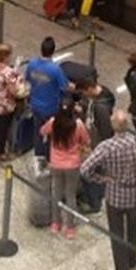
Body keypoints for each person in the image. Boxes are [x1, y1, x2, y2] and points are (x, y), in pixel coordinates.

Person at [81, 109, 136, 270]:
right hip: (135, 195)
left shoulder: (106, 147)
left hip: (114, 196)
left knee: (116, 234)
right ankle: (132, 260)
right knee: (133, 230)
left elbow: (85, 169)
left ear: (113, 126)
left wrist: (101, 179)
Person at [40, 98, 90, 237]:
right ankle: (70, 228)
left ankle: (56, 223)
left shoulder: (53, 122)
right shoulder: (78, 125)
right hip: (73, 165)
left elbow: (42, 131)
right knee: (70, 195)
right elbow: (86, 141)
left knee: (56, 193)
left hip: (56, 163)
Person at [25, 36, 70, 158]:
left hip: (35, 104)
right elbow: (64, 87)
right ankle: (50, 155)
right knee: (52, 132)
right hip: (51, 108)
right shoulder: (55, 69)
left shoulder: (32, 64)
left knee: (38, 131)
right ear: (53, 51)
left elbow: (27, 79)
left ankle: (38, 155)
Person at [0, 43, 26, 161]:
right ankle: (1, 152)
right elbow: (14, 91)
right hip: (4, 107)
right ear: (5, 57)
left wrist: (14, 70)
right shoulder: (8, 73)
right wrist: (20, 79)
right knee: (2, 131)